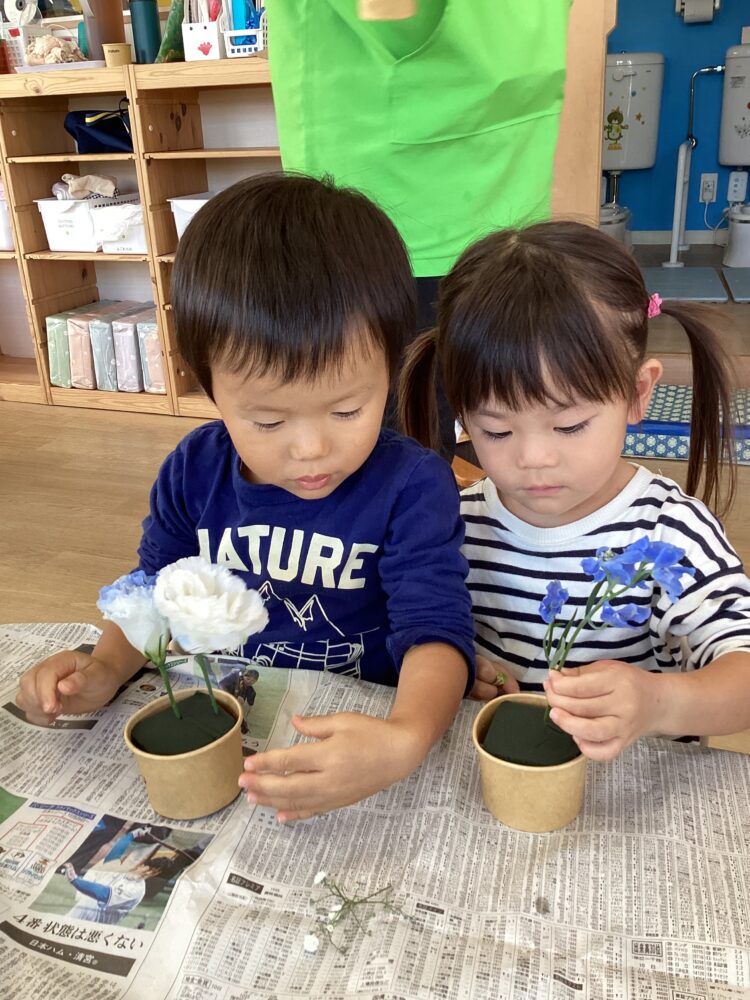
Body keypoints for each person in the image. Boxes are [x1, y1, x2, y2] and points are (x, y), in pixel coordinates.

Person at [16, 174, 475, 821]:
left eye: (347, 409)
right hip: (238, 710)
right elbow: (154, 591)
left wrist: (406, 738)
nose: (311, 448)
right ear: (210, 389)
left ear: (390, 368)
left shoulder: (413, 484)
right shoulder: (195, 471)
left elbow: (437, 628)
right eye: (268, 420)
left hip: (360, 721)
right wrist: (104, 667)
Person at [400, 219, 750, 762]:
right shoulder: (452, 523)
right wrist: (455, 669)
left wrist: (658, 702)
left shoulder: (668, 533)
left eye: (569, 426)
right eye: (496, 430)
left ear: (637, 394)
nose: (534, 457)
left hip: (631, 788)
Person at [60, 856, 171, 925]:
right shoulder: (119, 871)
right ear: (142, 865)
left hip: (96, 925)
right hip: (78, 913)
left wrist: (75, 880)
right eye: (150, 869)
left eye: (154, 873)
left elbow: (104, 894)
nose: (149, 873)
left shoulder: (137, 890)